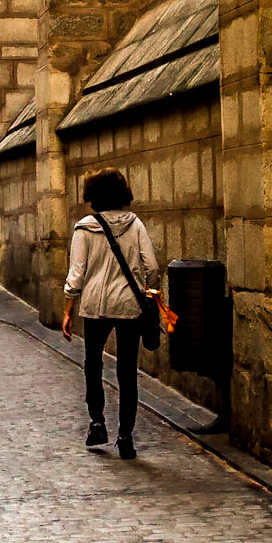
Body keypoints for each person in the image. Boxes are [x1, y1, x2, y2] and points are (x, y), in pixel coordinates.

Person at [61, 169, 160, 458]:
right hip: (129, 306)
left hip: (95, 307)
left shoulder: (84, 228)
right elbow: (151, 266)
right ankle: (126, 437)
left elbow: (76, 274)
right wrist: (147, 292)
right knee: (127, 372)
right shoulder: (136, 224)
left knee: (93, 364)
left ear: (92, 195)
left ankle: (97, 422)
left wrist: (68, 307)